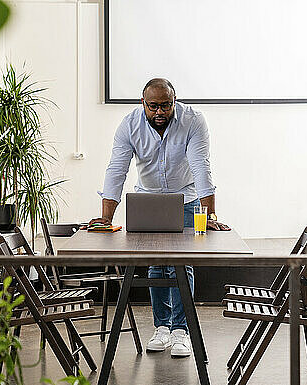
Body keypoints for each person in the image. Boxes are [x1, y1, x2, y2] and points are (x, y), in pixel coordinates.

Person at [90, 78, 230, 358]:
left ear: (174, 102)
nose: (160, 112)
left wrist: (210, 213)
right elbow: (116, 170)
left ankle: (181, 331)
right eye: (153, 106)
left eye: (166, 105)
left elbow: (201, 166)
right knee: (155, 265)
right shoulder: (129, 125)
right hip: (148, 200)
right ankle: (162, 327)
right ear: (143, 103)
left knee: (182, 265)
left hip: (185, 198)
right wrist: (106, 218)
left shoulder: (193, 121)